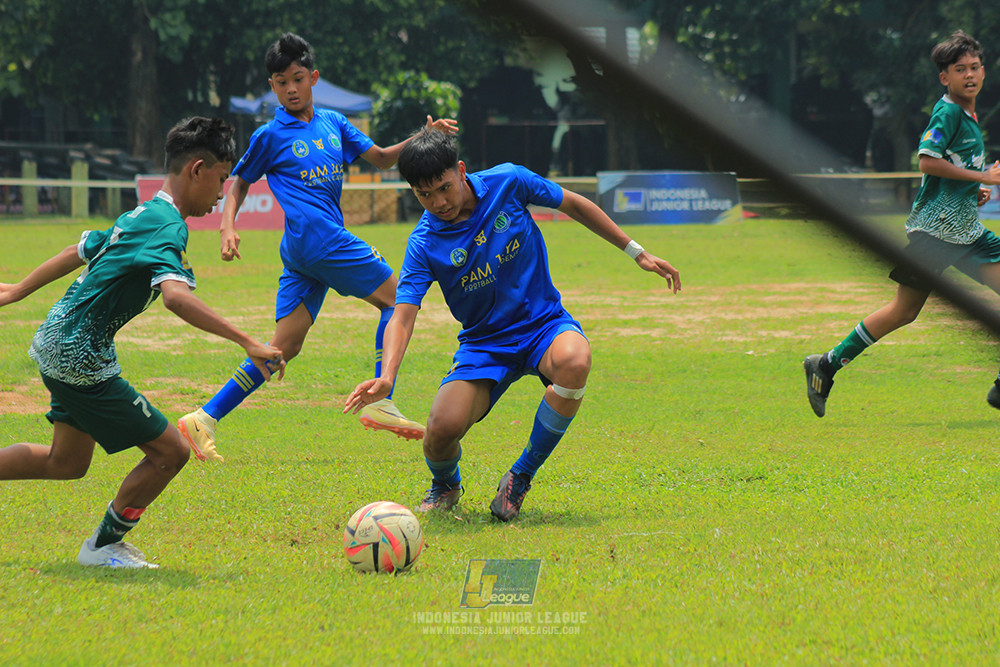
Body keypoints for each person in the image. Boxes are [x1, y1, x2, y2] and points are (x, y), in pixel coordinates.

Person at [344, 128, 680, 521]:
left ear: (461, 171)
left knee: (575, 361)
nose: (438, 202)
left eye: (444, 188)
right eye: (425, 195)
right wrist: (387, 376)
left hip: (543, 325)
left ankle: (520, 477)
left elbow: (573, 204)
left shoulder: (509, 181)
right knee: (440, 431)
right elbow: (403, 315)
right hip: (484, 345)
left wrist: (636, 252)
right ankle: (446, 484)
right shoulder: (424, 243)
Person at [0, 117, 284, 568]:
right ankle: (102, 548)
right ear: (197, 169)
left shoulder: (142, 213)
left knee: (66, 462)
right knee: (171, 451)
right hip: (78, 356)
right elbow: (175, 297)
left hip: (57, 340)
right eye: (221, 179)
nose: (221, 193)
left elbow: (79, 250)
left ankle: (102, 547)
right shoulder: (166, 226)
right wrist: (248, 341)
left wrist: (18, 291)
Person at [178, 32, 457, 461]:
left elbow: (383, 158)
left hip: (302, 253)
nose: (290, 89)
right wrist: (226, 227)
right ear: (272, 86)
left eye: (297, 78)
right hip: (320, 239)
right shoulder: (269, 135)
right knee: (398, 299)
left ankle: (203, 418)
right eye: (281, 82)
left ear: (313, 78)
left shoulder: (335, 123)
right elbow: (239, 184)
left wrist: (424, 135)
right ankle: (382, 398)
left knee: (283, 347)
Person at [804, 30, 1000, 417]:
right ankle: (825, 365)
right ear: (944, 77)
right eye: (959, 69)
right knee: (903, 312)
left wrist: (972, 190)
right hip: (937, 233)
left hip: (966, 232)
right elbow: (927, 160)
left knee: (905, 311)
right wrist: (983, 178)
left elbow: (951, 168)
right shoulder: (947, 113)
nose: (969, 75)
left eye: (975, 67)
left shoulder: (969, 115)